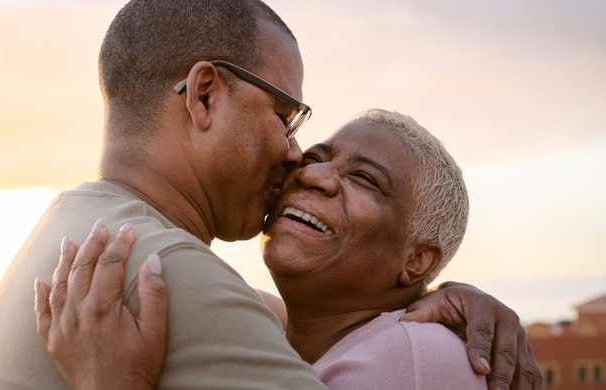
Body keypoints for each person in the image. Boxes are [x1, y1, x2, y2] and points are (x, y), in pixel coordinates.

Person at [0, 0, 540, 389]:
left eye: (363, 177)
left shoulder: (76, 225)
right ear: (205, 95)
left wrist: (442, 298)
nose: (298, 160)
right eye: (286, 118)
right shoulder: (170, 279)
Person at [33, 110, 527, 389]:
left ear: (417, 261)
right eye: (314, 158)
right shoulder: (274, 328)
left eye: (363, 179)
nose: (311, 175)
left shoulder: (413, 356)